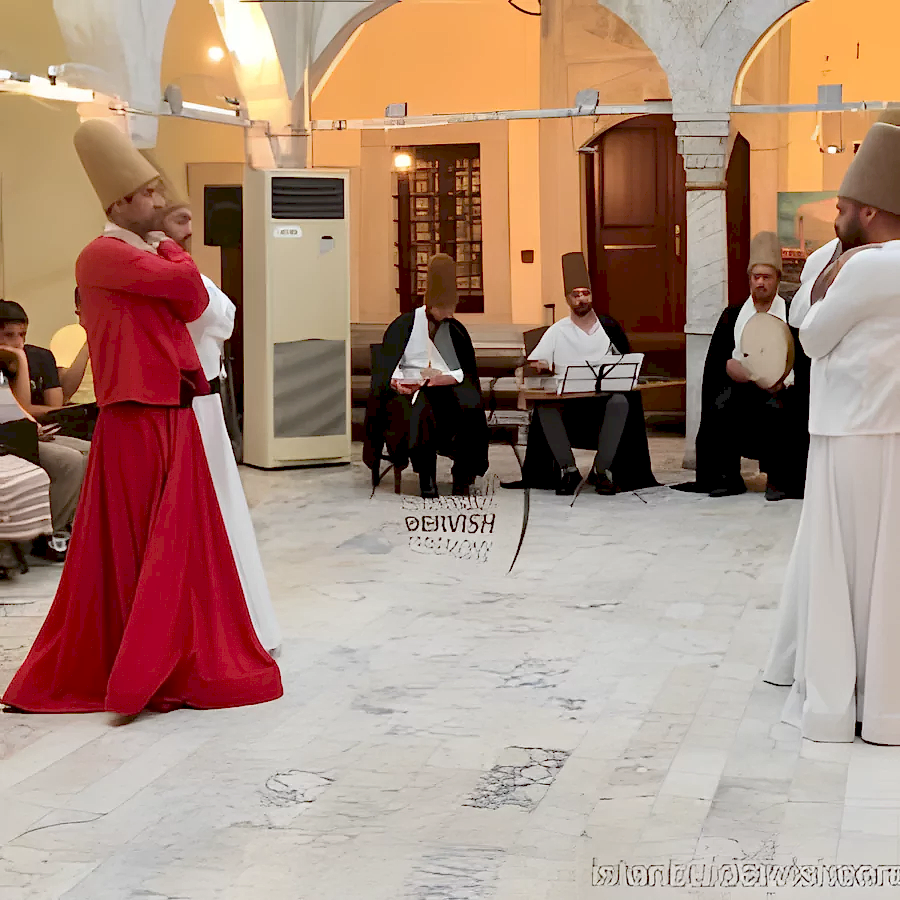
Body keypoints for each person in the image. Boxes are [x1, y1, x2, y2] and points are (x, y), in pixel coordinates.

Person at [2, 118, 281, 715]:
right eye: (151, 193)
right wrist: (173, 248)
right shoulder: (103, 256)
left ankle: (163, 655)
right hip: (137, 418)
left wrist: (167, 250)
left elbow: (195, 301)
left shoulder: (130, 253)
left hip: (167, 414)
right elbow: (190, 290)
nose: (160, 201)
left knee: (173, 543)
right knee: (140, 545)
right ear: (123, 201)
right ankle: (136, 663)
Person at [764, 121, 900, 744]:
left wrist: (827, 278)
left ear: (870, 211)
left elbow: (812, 337)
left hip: (850, 436)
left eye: (843, 208)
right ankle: (880, 696)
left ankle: (839, 700)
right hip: (884, 431)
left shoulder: (868, 267)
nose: (835, 216)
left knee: (844, 570)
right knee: (882, 572)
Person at [158, 197, 282, 656]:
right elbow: (215, 315)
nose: (189, 221)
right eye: (176, 213)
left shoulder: (185, 269)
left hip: (200, 398)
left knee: (221, 510)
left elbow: (224, 317)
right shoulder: (168, 270)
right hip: (182, 402)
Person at [502, 252, 658, 496]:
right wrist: (539, 365)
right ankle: (569, 470)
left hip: (602, 407)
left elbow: (626, 365)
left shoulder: (608, 328)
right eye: (576, 294)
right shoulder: (556, 331)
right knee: (545, 408)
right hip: (569, 408)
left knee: (620, 401)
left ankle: (602, 470)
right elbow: (530, 364)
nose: (582, 299)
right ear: (567, 299)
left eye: (586, 293)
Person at [671, 233, 809, 501]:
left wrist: (782, 380)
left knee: (781, 408)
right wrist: (729, 368)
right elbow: (715, 367)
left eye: (766, 277)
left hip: (781, 391)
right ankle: (725, 477)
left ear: (777, 280)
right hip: (741, 391)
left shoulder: (793, 315)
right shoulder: (732, 315)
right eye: (755, 276)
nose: (760, 282)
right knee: (722, 404)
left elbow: (805, 364)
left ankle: (781, 481)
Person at [363, 254, 489, 498]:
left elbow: (464, 371)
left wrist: (447, 378)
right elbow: (388, 368)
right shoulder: (404, 325)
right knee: (422, 408)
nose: (448, 314)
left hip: (446, 391)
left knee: (470, 405)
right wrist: (397, 382)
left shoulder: (454, 329)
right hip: (407, 395)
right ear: (430, 304)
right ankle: (426, 475)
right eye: (443, 308)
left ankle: (462, 473)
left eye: (451, 308)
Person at [0, 300, 89, 559]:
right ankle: (50, 534)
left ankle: (65, 527)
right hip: (10, 437)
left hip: (23, 431)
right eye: (9, 335)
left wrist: (19, 359)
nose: (17, 342)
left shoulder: (26, 358)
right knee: (69, 460)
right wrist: (19, 359)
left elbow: (27, 407)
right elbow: (22, 407)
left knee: (92, 452)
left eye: (22, 335)